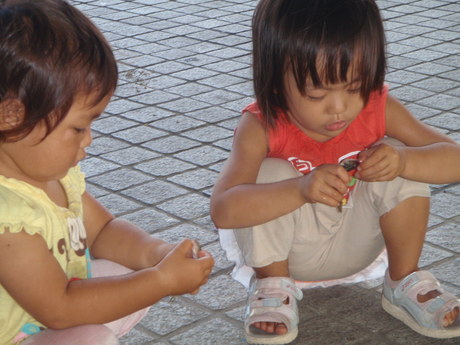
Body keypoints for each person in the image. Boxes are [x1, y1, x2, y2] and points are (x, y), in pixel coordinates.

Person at [210, 0, 460, 344]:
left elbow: (454, 158)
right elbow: (224, 209)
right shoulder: (261, 126)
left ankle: (403, 280)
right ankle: (271, 288)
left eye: (355, 87)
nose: (339, 108)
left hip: (357, 239)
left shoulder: (379, 107)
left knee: (401, 155)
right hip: (288, 255)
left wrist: (403, 163)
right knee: (269, 172)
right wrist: (298, 189)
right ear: (274, 83)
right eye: (317, 93)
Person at [0, 1, 214, 344]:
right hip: (24, 332)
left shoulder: (54, 175)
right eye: (78, 128)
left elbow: (103, 232)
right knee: (92, 337)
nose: (89, 140)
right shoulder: (7, 216)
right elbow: (59, 309)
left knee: (129, 269)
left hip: (52, 319)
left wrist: (156, 255)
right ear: (11, 116)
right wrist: (160, 281)